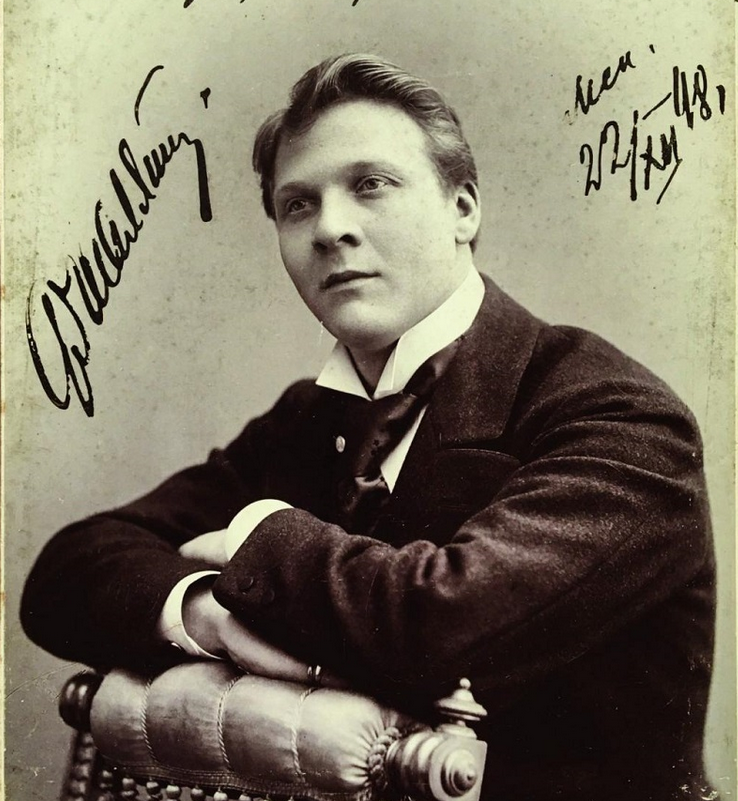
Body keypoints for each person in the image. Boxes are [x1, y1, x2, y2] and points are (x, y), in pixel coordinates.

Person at [21, 54, 716, 801]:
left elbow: (441, 628)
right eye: (297, 204)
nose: (330, 229)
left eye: (371, 184)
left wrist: (254, 531)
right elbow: (66, 571)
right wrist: (205, 613)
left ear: (463, 209)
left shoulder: (617, 411)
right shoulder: (307, 419)